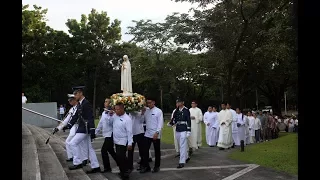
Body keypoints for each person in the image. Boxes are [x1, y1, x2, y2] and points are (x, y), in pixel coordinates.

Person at [62, 86, 101, 173]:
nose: (75, 96)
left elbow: (91, 117)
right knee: (90, 148)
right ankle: (96, 166)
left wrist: (92, 130)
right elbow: (75, 116)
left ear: (80, 93)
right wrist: (68, 125)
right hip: (83, 128)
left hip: (85, 129)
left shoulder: (86, 103)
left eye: (76, 94)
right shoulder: (80, 103)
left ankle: (77, 162)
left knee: (72, 143)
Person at [140, 97, 163, 173]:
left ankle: (157, 166)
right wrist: (142, 114)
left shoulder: (158, 111)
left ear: (154, 102)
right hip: (147, 133)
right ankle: (146, 166)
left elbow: (160, 123)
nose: (148, 104)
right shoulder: (146, 110)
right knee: (144, 150)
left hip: (155, 133)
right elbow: (141, 121)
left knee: (157, 151)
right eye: (147, 103)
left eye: (150, 102)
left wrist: (157, 132)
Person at [109, 102, 133, 180]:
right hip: (116, 140)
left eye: (118, 109)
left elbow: (130, 132)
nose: (116, 111)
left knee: (120, 156)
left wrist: (130, 143)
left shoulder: (127, 119)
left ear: (122, 109)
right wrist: (110, 116)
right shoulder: (115, 116)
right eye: (115, 109)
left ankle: (125, 173)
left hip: (123, 140)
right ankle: (124, 170)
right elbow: (110, 123)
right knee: (120, 157)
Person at [95, 98, 118, 173]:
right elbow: (100, 123)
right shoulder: (104, 112)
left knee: (103, 150)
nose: (105, 103)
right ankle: (122, 163)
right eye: (105, 101)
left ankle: (107, 167)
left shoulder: (114, 113)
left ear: (111, 103)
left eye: (107, 102)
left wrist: (109, 115)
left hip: (111, 134)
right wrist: (96, 132)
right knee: (111, 151)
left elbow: (111, 123)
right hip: (106, 134)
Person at [171, 98, 191, 168]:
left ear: (183, 102)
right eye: (177, 102)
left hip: (184, 129)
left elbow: (188, 120)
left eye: (179, 102)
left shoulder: (186, 110)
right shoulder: (176, 110)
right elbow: (174, 119)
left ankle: (182, 161)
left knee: (182, 145)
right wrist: (171, 123)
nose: (178, 104)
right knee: (181, 144)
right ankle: (186, 156)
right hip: (178, 128)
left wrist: (188, 130)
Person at [128, 107, 146, 172]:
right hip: (131, 133)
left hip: (139, 133)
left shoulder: (139, 113)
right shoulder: (130, 113)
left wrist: (142, 113)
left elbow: (141, 121)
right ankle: (130, 166)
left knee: (142, 150)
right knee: (130, 151)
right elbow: (132, 113)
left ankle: (143, 165)